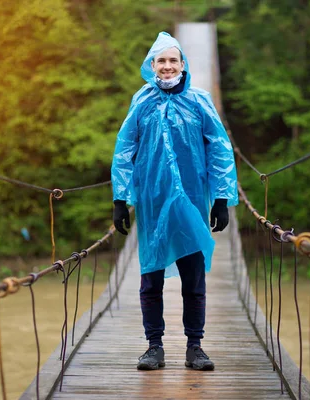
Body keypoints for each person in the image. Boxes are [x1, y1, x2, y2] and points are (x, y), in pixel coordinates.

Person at [111, 32, 238, 371]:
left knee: (193, 277)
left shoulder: (199, 101)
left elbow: (220, 148)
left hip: (193, 202)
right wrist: (120, 198)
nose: (167, 66)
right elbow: (125, 149)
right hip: (152, 205)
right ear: (152, 66)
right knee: (150, 276)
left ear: (183, 65)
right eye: (161, 61)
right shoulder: (141, 102)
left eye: (173, 60)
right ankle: (154, 346)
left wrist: (222, 198)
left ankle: (195, 347)